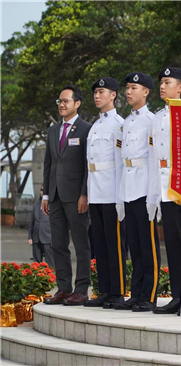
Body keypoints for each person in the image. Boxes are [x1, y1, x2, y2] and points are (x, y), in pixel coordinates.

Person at [150, 67, 181, 317]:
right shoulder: (158, 116)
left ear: (180, 87)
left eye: (167, 82)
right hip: (163, 183)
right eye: (161, 82)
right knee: (171, 242)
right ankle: (176, 295)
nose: (162, 86)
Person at [113, 72, 160, 312]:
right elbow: (122, 161)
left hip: (144, 189)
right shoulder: (126, 123)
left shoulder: (152, 121)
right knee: (133, 244)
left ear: (146, 92)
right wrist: (120, 196)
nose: (129, 92)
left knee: (147, 246)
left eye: (134, 87)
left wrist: (154, 196)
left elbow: (153, 160)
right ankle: (137, 293)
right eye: (127, 88)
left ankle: (149, 295)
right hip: (128, 188)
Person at [43, 85, 92, 306]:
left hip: (76, 197)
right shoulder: (53, 130)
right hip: (54, 196)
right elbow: (48, 164)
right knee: (58, 244)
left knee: (81, 244)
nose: (62, 105)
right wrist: (45, 196)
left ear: (77, 103)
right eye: (59, 101)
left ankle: (81, 289)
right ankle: (63, 288)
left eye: (66, 101)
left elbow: (86, 165)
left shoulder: (86, 129)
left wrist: (84, 194)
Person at [83, 77, 127, 309]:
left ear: (113, 95)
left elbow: (121, 162)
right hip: (96, 191)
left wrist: (121, 196)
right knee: (98, 243)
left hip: (112, 191)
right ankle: (104, 290)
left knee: (115, 243)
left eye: (101, 92)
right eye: (95, 92)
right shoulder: (95, 126)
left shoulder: (119, 124)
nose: (97, 96)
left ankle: (118, 292)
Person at [28, 186, 54, 267]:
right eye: (42, 190)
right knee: (36, 263)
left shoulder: (53, 206)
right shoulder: (36, 205)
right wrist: (30, 237)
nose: (43, 192)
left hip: (48, 239)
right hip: (36, 238)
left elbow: (55, 224)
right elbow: (32, 222)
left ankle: (51, 277)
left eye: (45, 190)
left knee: (50, 263)